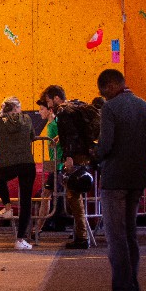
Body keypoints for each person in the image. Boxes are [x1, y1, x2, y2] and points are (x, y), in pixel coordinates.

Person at [93, 69, 146, 291]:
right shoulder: (145, 106)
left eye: (103, 91)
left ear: (111, 86)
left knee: (116, 238)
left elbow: (106, 145)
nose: (103, 96)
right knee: (131, 235)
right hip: (137, 178)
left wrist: (94, 154)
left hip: (115, 179)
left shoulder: (110, 108)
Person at [42, 84, 98, 249]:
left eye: (49, 101)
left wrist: (69, 157)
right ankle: (81, 234)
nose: (49, 106)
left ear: (56, 98)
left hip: (76, 157)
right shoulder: (75, 106)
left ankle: (82, 237)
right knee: (76, 195)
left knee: (73, 196)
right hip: (86, 155)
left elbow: (71, 136)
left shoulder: (63, 112)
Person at [0, 96, 36, 250]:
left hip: (7, 164)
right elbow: (32, 136)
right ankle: (20, 240)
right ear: (16, 108)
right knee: (26, 202)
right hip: (27, 163)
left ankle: (8, 207)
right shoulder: (27, 119)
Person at [36, 98, 68, 232]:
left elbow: (65, 134)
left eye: (42, 109)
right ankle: (41, 226)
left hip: (58, 164)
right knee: (46, 194)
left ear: (49, 110)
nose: (39, 112)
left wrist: (57, 139)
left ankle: (39, 227)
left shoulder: (55, 124)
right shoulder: (50, 125)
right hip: (53, 163)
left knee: (46, 194)